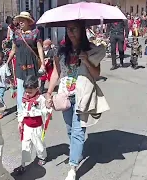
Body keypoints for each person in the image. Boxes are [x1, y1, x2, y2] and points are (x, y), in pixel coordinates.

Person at [46, 20, 101, 180]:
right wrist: (49, 92)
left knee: (78, 131)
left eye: (74, 29)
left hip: (82, 95)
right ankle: (77, 151)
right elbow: (56, 72)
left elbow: (96, 74)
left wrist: (87, 61)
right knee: (70, 129)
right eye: (68, 29)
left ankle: (73, 167)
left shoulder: (90, 50)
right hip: (64, 95)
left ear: (82, 30)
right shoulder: (61, 51)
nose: (71, 32)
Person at [6, 11, 45, 117]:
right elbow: (13, 50)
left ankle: (34, 108)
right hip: (20, 65)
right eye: (20, 21)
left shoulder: (36, 32)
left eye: (23, 21)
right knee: (20, 89)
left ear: (28, 22)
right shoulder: (16, 34)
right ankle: (21, 112)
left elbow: (40, 48)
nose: (21, 23)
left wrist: (43, 64)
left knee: (32, 88)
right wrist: (8, 62)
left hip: (32, 65)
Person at [13, 75, 51, 175]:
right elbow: (21, 111)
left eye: (30, 91)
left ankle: (42, 157)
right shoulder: (24, 99)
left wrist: (42, 110)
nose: (28, 93)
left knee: (39, 144)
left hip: (37, 126)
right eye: (26, 91)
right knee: (25, 145)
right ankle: (23, 163)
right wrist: (20, 122)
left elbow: (45, 111)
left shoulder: (40, 99)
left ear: (37, 89)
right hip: (27, 126)